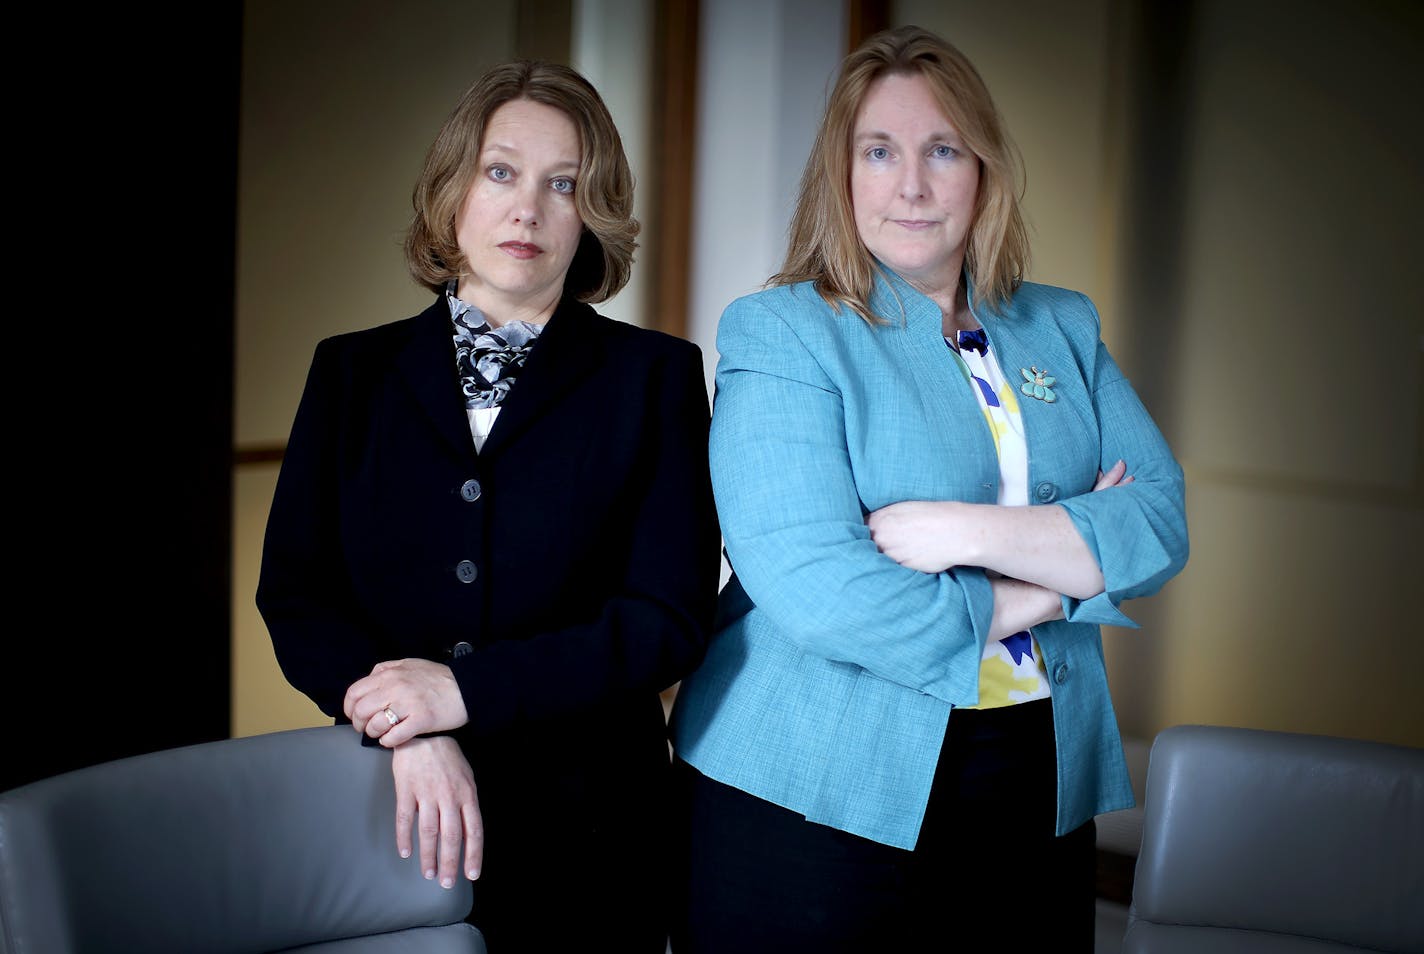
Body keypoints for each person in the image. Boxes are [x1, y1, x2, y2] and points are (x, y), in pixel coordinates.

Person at [668, 25, 1188, 952]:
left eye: (942, 150)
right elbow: (822, 592)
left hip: (1038, 770)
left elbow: (1156, 521)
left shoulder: (1060, 324)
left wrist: (960, 530)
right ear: (844, 174)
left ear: (982, 171)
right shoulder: (784, 331)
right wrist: (1052, 582)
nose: (912, 184)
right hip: (814, 786)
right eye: (881, 152)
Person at [257, 60, 721, 954]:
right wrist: (404, 728)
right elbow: (298, 596)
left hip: (593, 827)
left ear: (593, 215)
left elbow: (665, 620)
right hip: (387, 806)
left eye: (565, 185)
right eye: (502, 171)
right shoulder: (349, 372)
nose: (529, 209)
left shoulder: (654, 376)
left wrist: (461, 693)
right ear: (453, 188)